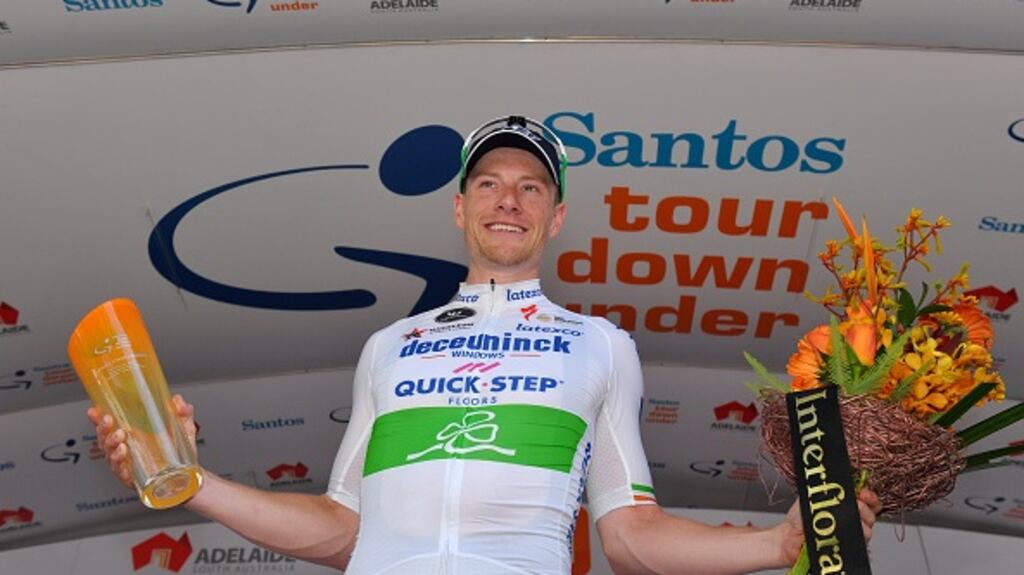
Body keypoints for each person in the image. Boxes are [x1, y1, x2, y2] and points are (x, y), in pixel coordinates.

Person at [90, 115, 880, 574]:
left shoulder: (600, 345)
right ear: (460, 208)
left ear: (556, 216)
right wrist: (191, 483)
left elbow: (630, 537)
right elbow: (341, 526)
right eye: (490, 184)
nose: (509, 199)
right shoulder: (389, 346)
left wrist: (779, 542)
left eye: (531, 186)